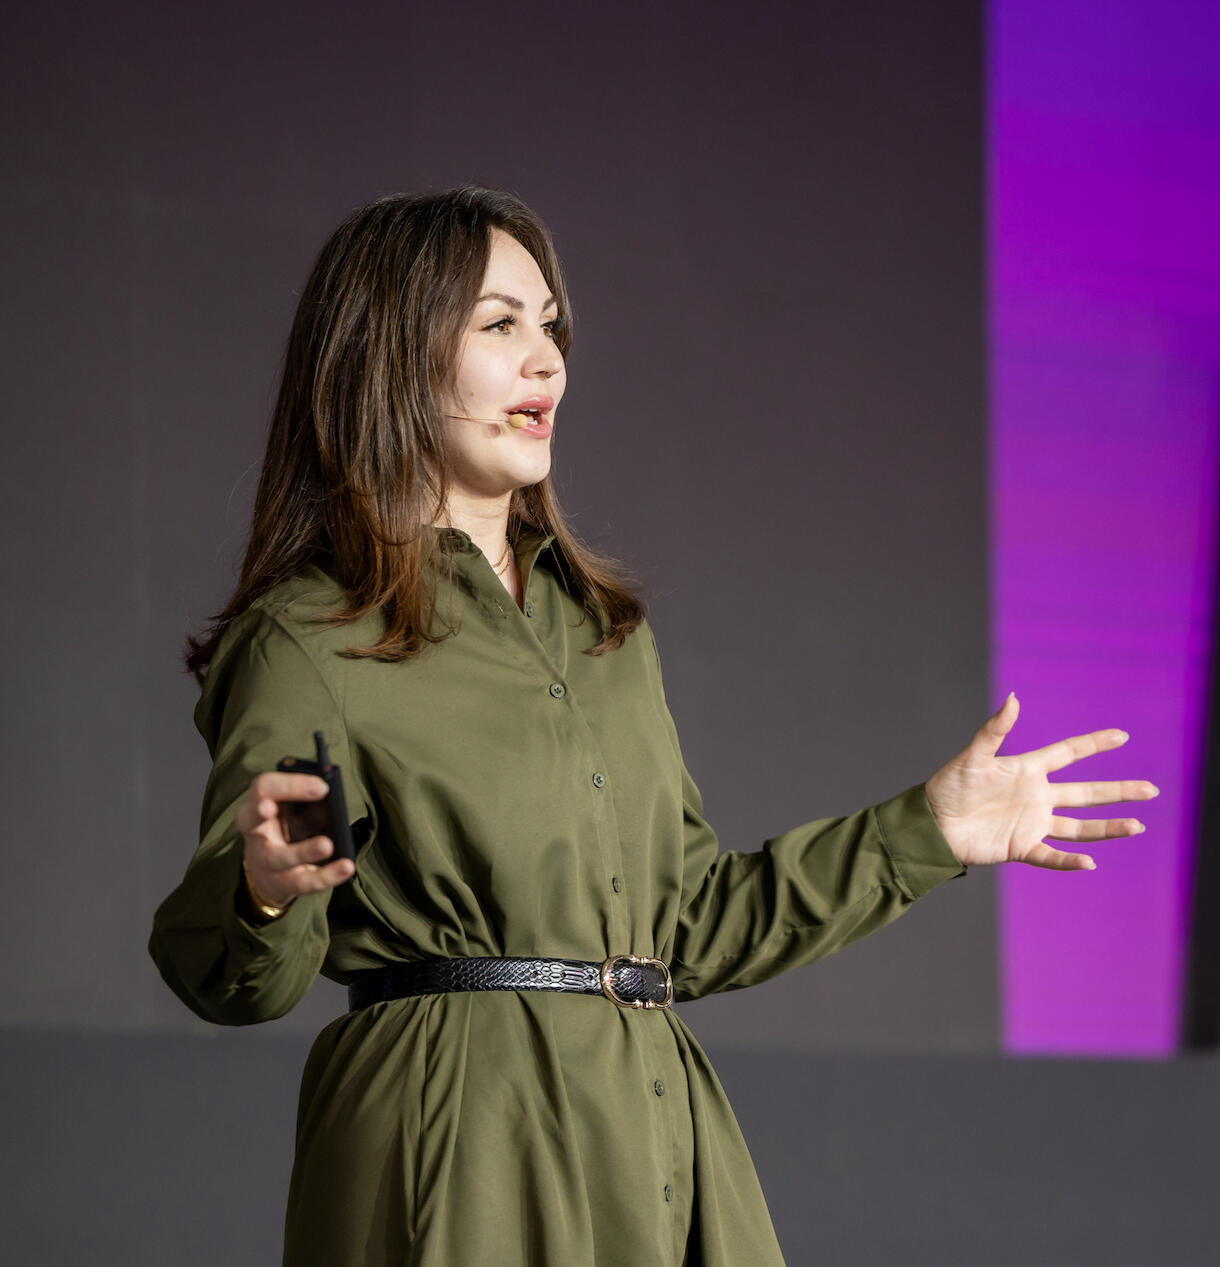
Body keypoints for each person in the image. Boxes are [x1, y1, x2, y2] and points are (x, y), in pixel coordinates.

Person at [148, 186, 1157, 1267]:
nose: (547, 361)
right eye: (499, 324)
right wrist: (259, 887)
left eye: (550, 325)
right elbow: (233, 979)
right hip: (459, 1153)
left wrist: (929, 832)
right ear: (389, 357)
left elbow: (683, 928)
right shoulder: (308, 638)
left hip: (654, 1139)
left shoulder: (601, 633)